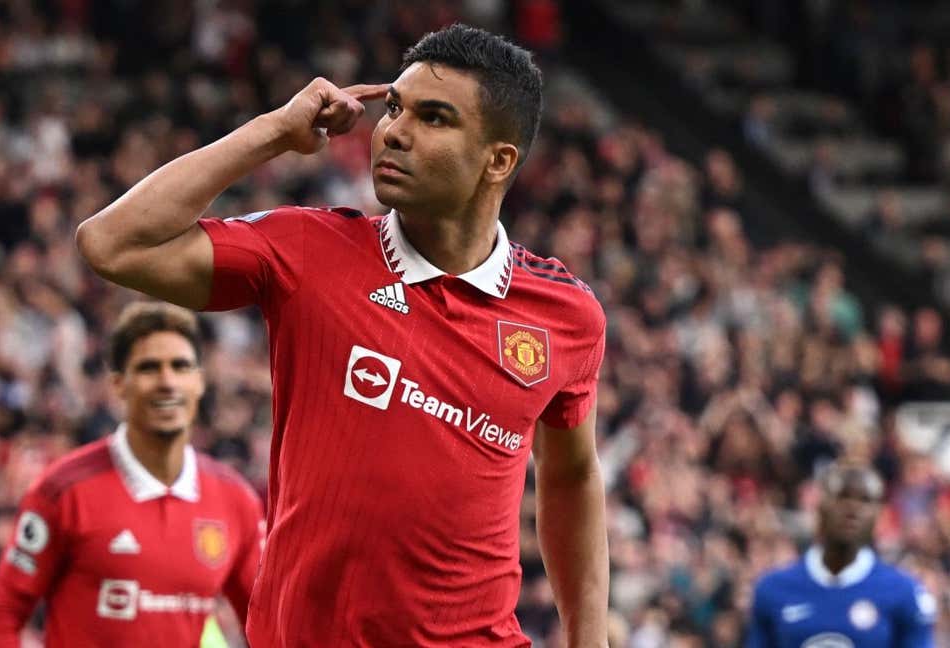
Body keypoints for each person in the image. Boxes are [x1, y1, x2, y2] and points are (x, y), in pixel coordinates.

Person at [77, 23, 608, 647]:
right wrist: (274, 130)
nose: (394, 133)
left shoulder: (564, 315)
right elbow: (112, 244)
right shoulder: (309, 250)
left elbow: (571, 476)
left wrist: (588, 639)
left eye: (434, 118)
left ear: (499, 160)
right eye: (395, 109)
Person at [0, 303, 265, 648]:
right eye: (148, 368)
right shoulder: (63, 491)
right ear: (118, 385)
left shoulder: (234, 499)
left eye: (180, 366)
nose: (167, 382)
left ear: (198, 382)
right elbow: (2, 615)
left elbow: (266, 621)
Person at [747, 463, 936, 647]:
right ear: (820, 505)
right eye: (842, 497)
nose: (852, 509)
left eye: (865, 500)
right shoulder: (773, 588)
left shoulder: (903, 592)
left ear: (878, 513)